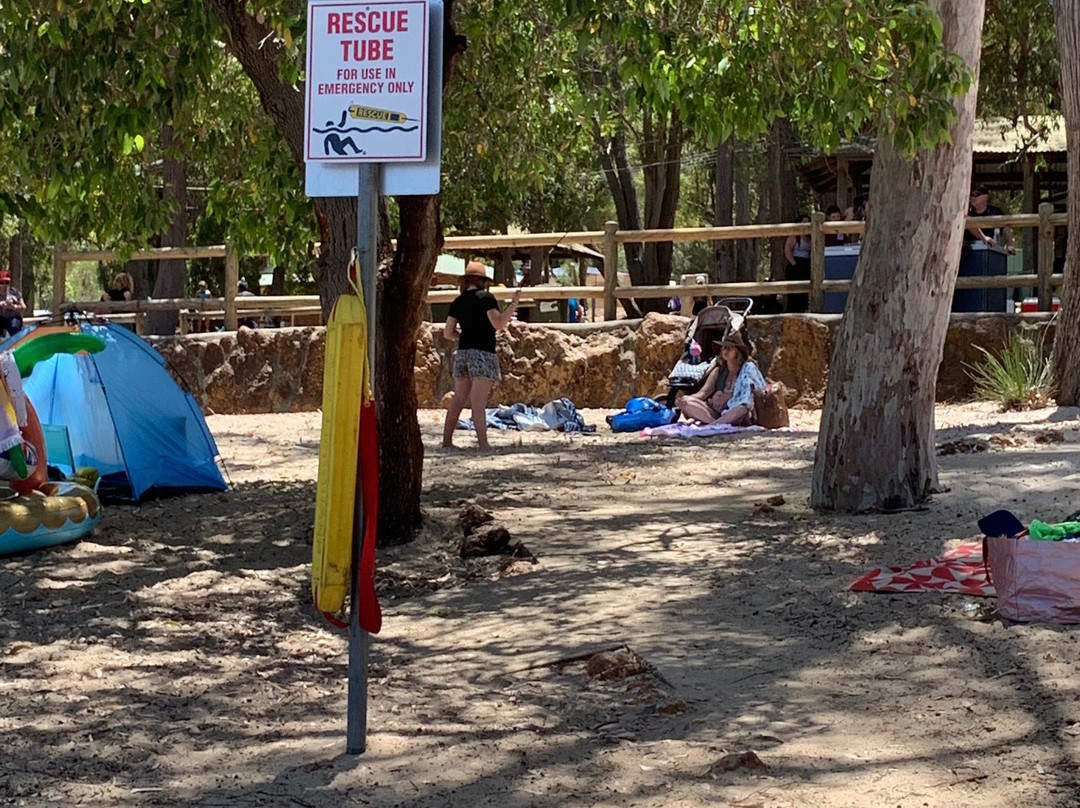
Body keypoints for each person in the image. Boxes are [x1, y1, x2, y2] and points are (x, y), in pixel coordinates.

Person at [441, 262, 522, 450]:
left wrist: (461, 336)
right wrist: (513, 304)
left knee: (459, 398)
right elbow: (499, 323)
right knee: (478, 401)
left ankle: (447, 440)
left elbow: (447, 333)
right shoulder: (486, 298)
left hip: (462, 353)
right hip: (483, 353)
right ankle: (483, 443)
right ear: (482, 281)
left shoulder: (458, 302)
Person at [676, 330, 766, 426]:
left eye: (730, 348)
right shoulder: (718, 371)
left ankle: (714, 425)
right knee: (688, 402)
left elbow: (749, 395)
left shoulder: (746, 370)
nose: (726, 351)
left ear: (738, 352)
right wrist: (683, 400)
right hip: (715, 412)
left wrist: (729, 396)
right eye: (724, 348)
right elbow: (702, 393)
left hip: (735, 412)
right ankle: (715, 424)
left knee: (741, 409)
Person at [966, 185, 1015, 254]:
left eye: (977, 195)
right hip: (968, 250)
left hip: (989, 250)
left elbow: (1005, 228)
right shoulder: (968, 212)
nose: (973, 197)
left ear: (986, 197)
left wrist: (1010, 244)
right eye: (972, 195)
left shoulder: (995, 212)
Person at [784, 214, 812, 312]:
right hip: (796, 264)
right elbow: (788, 250)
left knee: (804, 293)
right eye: (804, 222)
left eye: (808, 222)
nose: (806, 224)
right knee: (794, 293)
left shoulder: (810, 237)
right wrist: (794, 264)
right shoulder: (794, 236)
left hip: (806, 264)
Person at [0, 271, 25, 337]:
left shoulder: (14, 291)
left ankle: (15, 345)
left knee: (15, 327)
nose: (4, 285)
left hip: (13, 318)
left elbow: (23, 307)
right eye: (1, 283)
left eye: (6, 282)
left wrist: (13, 307)